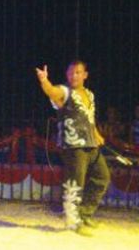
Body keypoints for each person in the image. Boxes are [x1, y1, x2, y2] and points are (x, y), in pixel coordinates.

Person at [35, 60, 110, 236]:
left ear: (85, 75)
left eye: (77, 72)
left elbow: (89, 118)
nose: (73, 76)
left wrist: (97, 134)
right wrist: (44, 80)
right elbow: (52, 92)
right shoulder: (65, 92)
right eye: (70, 73)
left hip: (91, 145)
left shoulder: (90, 95)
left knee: (102, 178)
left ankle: (84, 214)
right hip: (73, 146)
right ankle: (72, 222)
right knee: (75, 184)